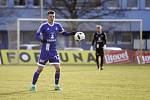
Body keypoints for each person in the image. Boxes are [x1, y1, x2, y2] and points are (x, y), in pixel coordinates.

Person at [30, 10, 75, 91]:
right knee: (40, 69)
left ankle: (56, 85)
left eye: (53, 16)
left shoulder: (57, 25)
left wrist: (72, 33)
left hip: (53, 51)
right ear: (48, 17)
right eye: (50, 16)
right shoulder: (43, 26)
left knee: (58, 68)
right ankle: (33, 85)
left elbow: (64, 33)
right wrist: (41, 40)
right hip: (45, 51)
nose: (52, 18)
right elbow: (36, 35)